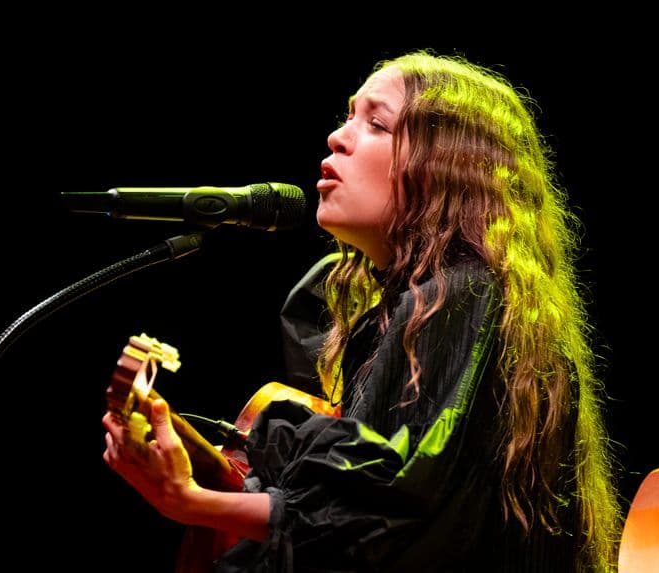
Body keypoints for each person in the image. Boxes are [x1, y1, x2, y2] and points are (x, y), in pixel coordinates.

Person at [102, 50, 622, 572]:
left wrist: (189, 501)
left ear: (447, 167)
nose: (338, 137)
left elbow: (390, 507)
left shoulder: (463, 294)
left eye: (376, 123)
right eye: (348, 116)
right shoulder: (398, 316)